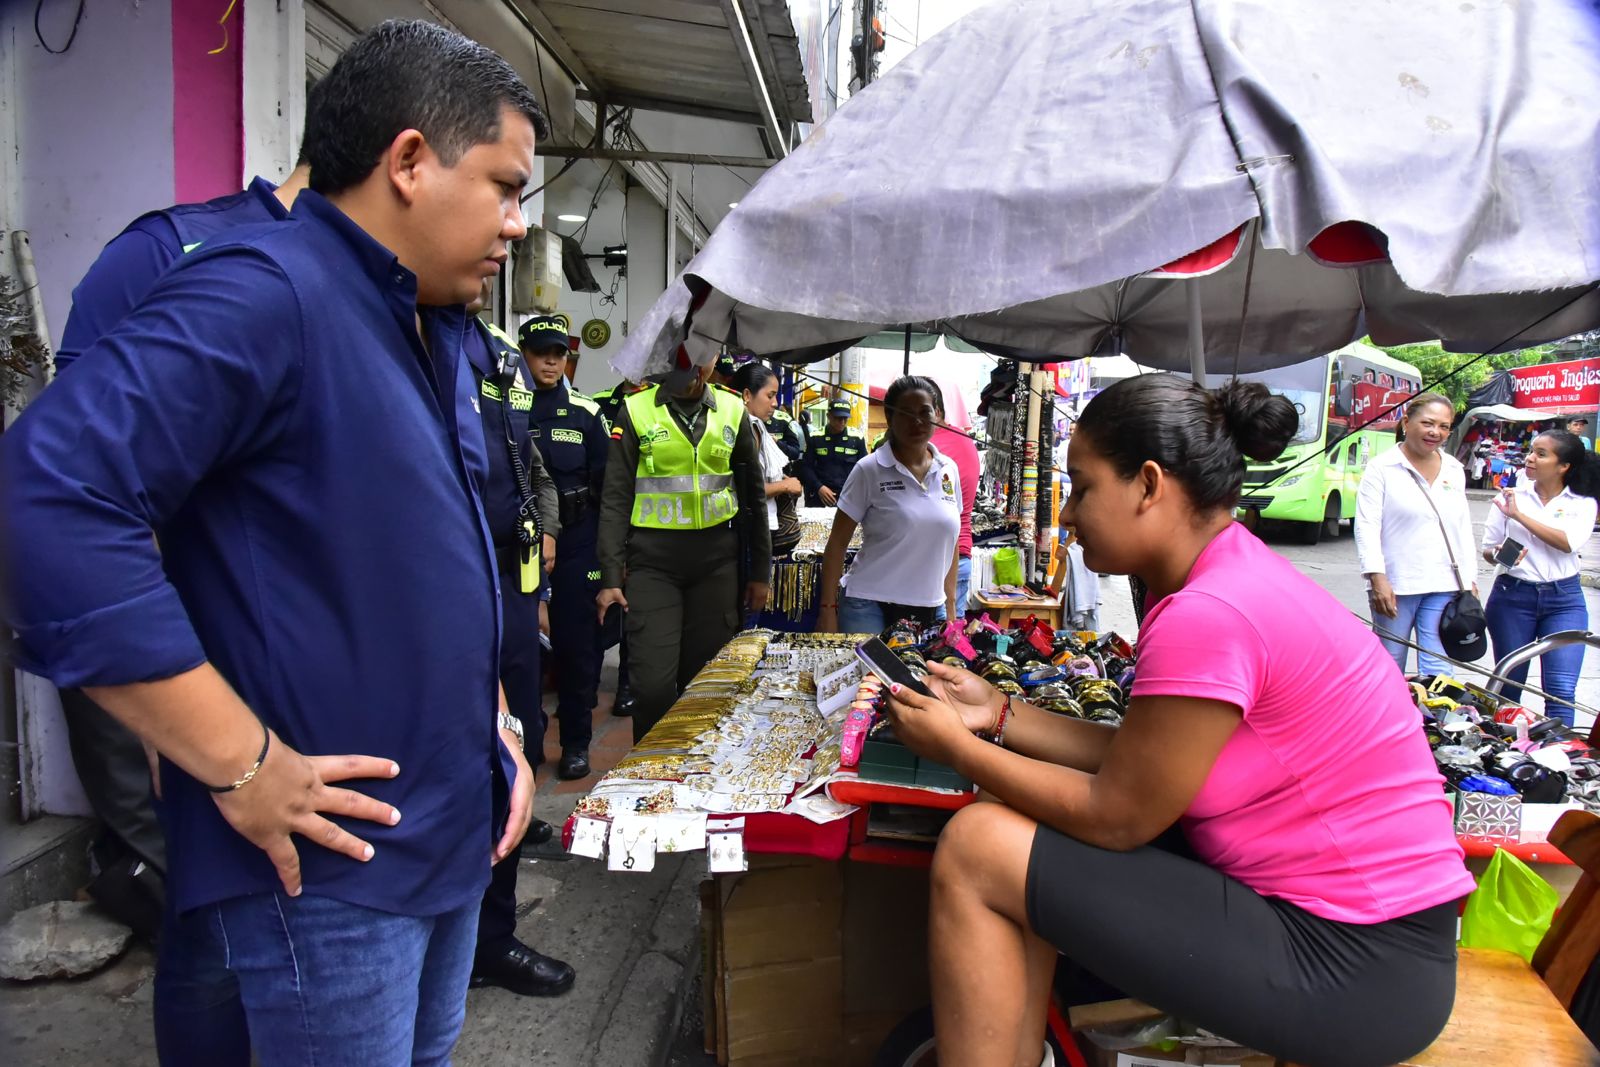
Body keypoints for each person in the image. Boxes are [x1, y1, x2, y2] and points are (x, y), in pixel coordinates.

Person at [1, 21, 543, 1063]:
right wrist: (235, 757)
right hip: (333, 870)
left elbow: (407, 557)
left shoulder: (422, 321)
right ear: (410, 161)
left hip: (442, 829)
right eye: (506, 187)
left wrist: (494, 724)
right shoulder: (268, 290)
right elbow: (45, 499)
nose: (517, 224)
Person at [882, 374, 1475, 1067]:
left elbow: (1116, 815)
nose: (1067, 515)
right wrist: (1000, 713)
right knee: (1008, 817)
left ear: (1148, 485)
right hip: (1368, 941)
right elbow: (1142, 761)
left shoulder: (1209, 611)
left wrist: (958, 747)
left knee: (977, 845)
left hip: (1357, 961)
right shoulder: (1231, 573)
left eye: (1082, 488)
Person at [46, 116, 315, 1067]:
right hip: (183, 672)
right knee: (204, 930)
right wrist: (177, 708)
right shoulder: (170, 252)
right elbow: (75, 492)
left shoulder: (374, 292)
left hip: (295, 670)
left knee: (294, 929)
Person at [459, 294, 573, 998]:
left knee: (516, 743)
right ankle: (446, 936)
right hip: (443, 584)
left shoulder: (496, 351)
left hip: (512, 582)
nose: (510, 240)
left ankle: (489, 939)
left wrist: (545, 528)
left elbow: (525, 461)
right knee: (457, 762)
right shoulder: (392, 332)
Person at [595, 362, 772, 741]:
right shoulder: (636, 409)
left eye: (703, 354)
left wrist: (761, 572)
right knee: (652, 688)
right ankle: (650, 769)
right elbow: (615, 498)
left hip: (716, 568)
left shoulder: (732, 409)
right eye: (682, 355)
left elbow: (753, 497)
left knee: (705, 686)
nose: (693, 364)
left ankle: (697, 768)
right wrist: (611, 575)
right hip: (653, 568)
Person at [522, 314, 609, 780]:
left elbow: (609, 488)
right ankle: (527, 744)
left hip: (577, 543)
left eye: (559, 353)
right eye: (541, 353)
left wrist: (610, 559)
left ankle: (576, 743)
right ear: (524, 355)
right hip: (522, 546)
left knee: (577, 650)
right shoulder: (507, 409)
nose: (552, 362)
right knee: (523, 653)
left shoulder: (586, 413)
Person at [818, 376, 961, 635]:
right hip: (868, 604)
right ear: (889, 417)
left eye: (925, 412)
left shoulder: (948, 469)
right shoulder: (869, 469)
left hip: (931, 606)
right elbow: (837, 543)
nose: (917, 421)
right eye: (906, 413)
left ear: (937, 414)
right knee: (870, 665)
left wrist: (951, 606)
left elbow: (952, 544)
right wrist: (828, 610)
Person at [1481, 429, 1600, 727]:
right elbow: (1488, 549)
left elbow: (1568, 542)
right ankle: (1508, 749)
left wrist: (1519, 516)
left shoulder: (1582, 502)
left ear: (1563, 466)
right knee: (1509, 686)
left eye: (1541, 454)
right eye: (1532, 451)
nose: (1530, 458)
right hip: (1511, 597)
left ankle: (1562, 751)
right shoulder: (1510, 496)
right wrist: (1499, 553)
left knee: (1561, 689)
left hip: (1564, 601)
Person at [1356, 393, 1478, 677]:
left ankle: (1436, 708)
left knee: (1438, 667)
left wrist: (1469, 579)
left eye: (1444, 426)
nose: (1436, 432)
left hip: (1445, 583)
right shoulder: (1382, 468)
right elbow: (1367, 525)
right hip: (1397, 585)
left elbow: (1461, 527)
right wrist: (1377, 578)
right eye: (1428, 423)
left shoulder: (1453, 469)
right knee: (1390, 663)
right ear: (1406, 422)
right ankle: (1390, 708)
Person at [733, 363, 805, 559]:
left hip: (757, 525)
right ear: (747, 395)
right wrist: (785, 486)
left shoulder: (754, 426)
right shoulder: (747, 429)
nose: (775, 403)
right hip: (754, 527)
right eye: (770, 396)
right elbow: (748, 489)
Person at [929, 397, 980, 618]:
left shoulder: (928, 447)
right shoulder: (966, 441)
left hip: (937, 559)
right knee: (953, 633)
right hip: (961, 553)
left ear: (937, 411)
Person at [798, 398, 868, 507]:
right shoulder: (815, 437)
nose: (842, 422)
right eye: (838, 418)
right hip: (819, 495)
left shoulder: (856, 438)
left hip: (848, 495)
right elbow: (806, 467)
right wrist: (819, 487)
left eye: (845, 418)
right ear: (828, 416)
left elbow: (864, 468)